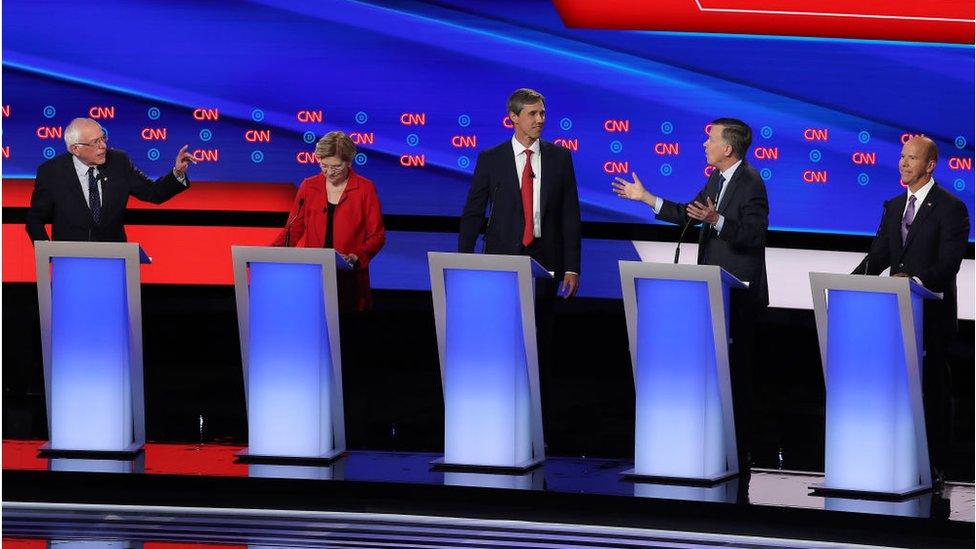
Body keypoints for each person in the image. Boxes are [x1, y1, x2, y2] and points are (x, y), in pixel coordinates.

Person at [612, 118, 768, 473]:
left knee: (736, 376)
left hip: (739, 298)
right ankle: (709, 448)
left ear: (727, 148)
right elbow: (688, 215)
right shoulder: (717, 179)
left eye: (710, 139)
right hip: (712, 294)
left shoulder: (751, 182)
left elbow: (754, 235)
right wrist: (646, 198)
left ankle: (737, 455)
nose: (704, 144)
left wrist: (717, 221)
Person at [853, 135, 969, 484]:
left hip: (930, 320)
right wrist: (847, 284)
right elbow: (878, 257)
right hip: (894, 319)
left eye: (912, 158)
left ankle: (935, 466)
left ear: (930, 165)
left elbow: (949, 265)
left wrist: (912, 279)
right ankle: (894, 459)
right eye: (902, 156)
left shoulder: (951, 208)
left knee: (933, 394)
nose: (904, 163)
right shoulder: (892, 206)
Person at [458, 88, 582, 298]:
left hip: (546, 256)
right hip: (501, 255)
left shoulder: (560, 158)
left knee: (542, 325)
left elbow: (570, 216)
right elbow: (473, 212)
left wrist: (572, 267)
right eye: (532, 114)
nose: (540, 119)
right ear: (514, 117)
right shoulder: (491, 159)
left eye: (542, 113)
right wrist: (464, 260)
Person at [26, 117, 193, 242]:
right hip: (70, 262)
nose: (103, 146)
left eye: (103, 138)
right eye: (95, 142)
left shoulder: (119, 162)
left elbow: (153, 192)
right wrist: (47, 251)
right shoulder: (51, 172)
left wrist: (177, 172)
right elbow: (35, 219)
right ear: (75, 149)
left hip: (113, 258)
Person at [273, 130, 385, 312]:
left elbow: (377, 236)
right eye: (323, 165)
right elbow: (293, 230)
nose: (329, 172)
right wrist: (269, 256)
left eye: (336, 166)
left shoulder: (365, 189)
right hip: (313, 276)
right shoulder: (309, 186)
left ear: (349, 162)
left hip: (349, 279)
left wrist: (357, 256)